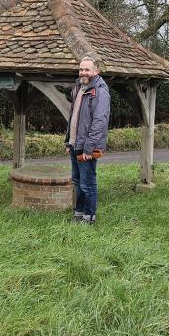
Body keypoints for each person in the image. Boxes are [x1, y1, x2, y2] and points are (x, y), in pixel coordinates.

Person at [65, 56, 110, 225]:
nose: (83, 72)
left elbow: (99, 122)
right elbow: (74, 117)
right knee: (77, 181)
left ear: (95, 71)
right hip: (75, 144)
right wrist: (69, 141)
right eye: (81, 69)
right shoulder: (79, 88)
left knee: (88, 183)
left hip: (87, 147)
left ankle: (89, 217)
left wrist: (88, 148)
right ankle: (79, 213)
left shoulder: (100, 91)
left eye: (87, 70)